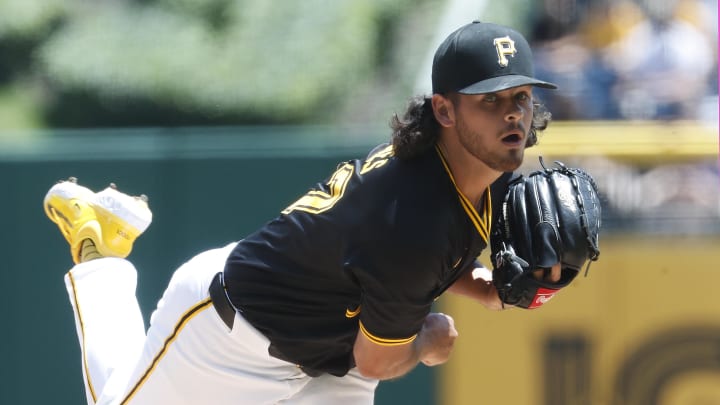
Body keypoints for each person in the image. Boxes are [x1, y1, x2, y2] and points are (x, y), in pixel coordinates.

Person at [45, 21, 561, 405]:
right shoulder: (412, 215)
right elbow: (380, 353)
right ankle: (101, 256)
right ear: (445, 110)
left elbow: (415, 266)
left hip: (333, 350)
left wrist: (489, 289)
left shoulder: (475, 168)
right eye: (489, 100)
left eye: (520, 96)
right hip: (230, 337)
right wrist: (428, 340)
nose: (513, 113)